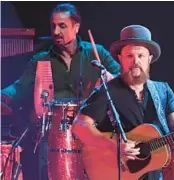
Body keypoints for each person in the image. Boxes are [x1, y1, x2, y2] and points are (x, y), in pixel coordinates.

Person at [72, 25, 174, 180]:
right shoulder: (107, 90)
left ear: (150, 58)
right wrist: (113, 146)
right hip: (115, 172)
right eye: (129, 56)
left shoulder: (162, 90)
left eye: (141, 55)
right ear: (120, 58)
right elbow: (80, 126)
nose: (135, 61)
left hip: (153, 173)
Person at [1, 3, 120, 180]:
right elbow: (20, 86)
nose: (56, 31)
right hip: (52, 131)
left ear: (76, 27)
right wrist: (4, 96)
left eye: (62, 26)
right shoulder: (41, 59)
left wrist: (111, 78)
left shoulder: (97, 53)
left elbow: (120, 78)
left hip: (91, 128)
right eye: (53, 25)